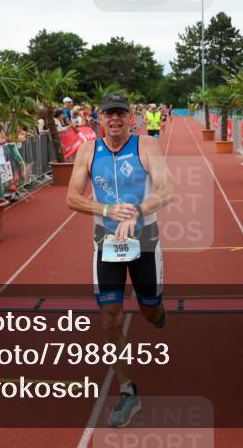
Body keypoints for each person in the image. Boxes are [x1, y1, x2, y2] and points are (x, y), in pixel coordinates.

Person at [66, 92, 174, 428]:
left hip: (144, 242)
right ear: (99, 119)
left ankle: (155, 311)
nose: (115, 120)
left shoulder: (146, 147)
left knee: (148, 310)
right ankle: (128, 389)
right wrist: (107, 210)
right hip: (106, 244)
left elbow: (166, 190)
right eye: (109, 114)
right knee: (110, 319)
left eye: (121, 114)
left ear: (131, 118)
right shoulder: (88, 151)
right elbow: (72, 196)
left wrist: (138, 211)